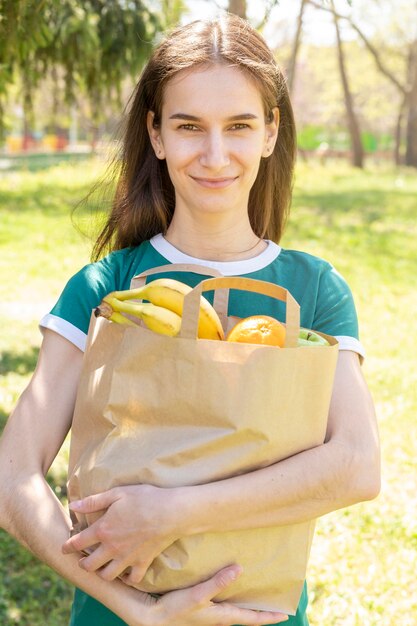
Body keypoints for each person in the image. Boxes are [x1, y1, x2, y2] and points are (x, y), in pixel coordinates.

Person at [0, 13, 380, 626]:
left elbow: (356, 465)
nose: (214, 153)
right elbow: (11, 479)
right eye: (188, 126)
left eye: (238, 126)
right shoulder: (109, 289)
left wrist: (172, 513)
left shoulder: (313, 292)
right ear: (155, 135)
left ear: (270, 132)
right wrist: (140, 611)